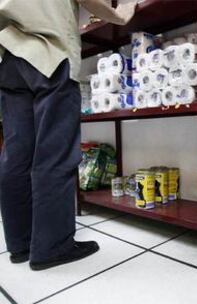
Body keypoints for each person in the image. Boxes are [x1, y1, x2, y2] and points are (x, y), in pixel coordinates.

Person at [0, 0, 138, 271]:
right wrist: (121, 13)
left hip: (9, 58)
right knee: (55, 152)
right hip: (50, 52)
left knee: (15, 155)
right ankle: (52, 247)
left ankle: (21, 244)